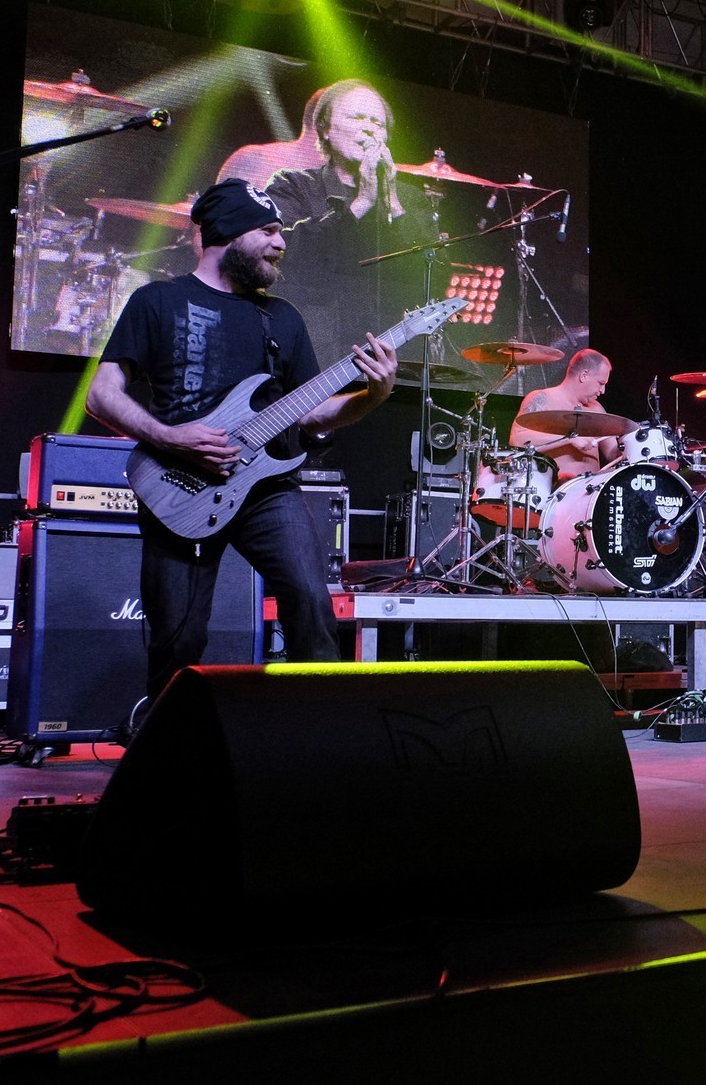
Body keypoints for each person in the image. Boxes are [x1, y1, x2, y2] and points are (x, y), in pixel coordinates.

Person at [86, 179, 398, 708]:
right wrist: (170, 437)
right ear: (228, 234)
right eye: (268, 231)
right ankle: (171, 742)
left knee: (311, 606)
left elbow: (313, 413)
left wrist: (374, 396)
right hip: (178, 486)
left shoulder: (282, 318)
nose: (281, 242)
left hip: (267, 488)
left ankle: (317, 735)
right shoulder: (158, 300)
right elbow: (101, 394)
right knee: (179, 638)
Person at [263, 79, 441, 366]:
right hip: (311, 353)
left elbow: (436, 274)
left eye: (377, 123)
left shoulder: (409, 199)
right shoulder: (293, 185)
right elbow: (283, 255)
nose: (368, 128)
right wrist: (362, 202)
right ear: (325, 129)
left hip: (392, 359)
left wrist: (392, 200)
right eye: (356, 117)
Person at [509, 348, 621, 481]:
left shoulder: (596, 408)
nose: (602, 391)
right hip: (554, 489)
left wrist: (631, 441)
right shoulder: (542, 398)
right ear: (584, 375)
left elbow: (613, 454)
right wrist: (568, 439)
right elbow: (517, 440)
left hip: (592, 491)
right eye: (601, 383)